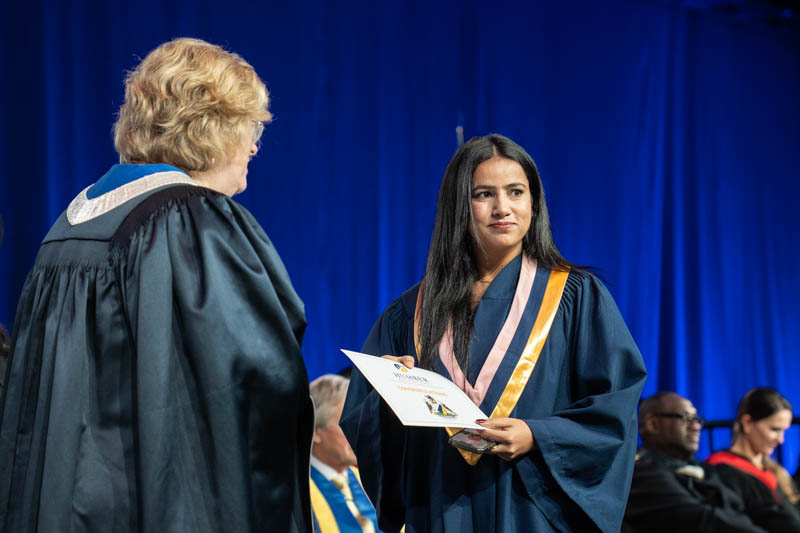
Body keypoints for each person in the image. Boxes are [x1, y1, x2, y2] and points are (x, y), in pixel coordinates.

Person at [0, 38, 313, 532]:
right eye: (251, 128)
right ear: (212, 126)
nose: (254, 146)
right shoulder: (192, 221)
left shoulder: (67, 227)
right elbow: (253, 379)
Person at [340, 134, 647, 532]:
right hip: (441, 506)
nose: (503, 208)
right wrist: (388, 389)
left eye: (516, 192)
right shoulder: (411, 312)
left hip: (531, 509)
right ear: (458, 208)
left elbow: (615, 408)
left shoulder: (575, 298)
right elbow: (367, 426)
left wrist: (538, 435)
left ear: (533, 204)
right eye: (484, 194)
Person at [624, 391, 773, 532]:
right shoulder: (640, 472)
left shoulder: (705, 469)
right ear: (652, 424)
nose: (696, 426)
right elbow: (700, 519)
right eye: (686, 418)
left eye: (697, 419)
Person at [705, 388, 800, 531]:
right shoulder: (720, 471)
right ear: (747, 423)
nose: (781, 440)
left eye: (784, 430)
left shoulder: (772, 471)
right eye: (774, 429)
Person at [309, 374, 382, 533]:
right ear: (315, 432)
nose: (358, 433)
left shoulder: (368, 480)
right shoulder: (300, 494)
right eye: (344, 423)